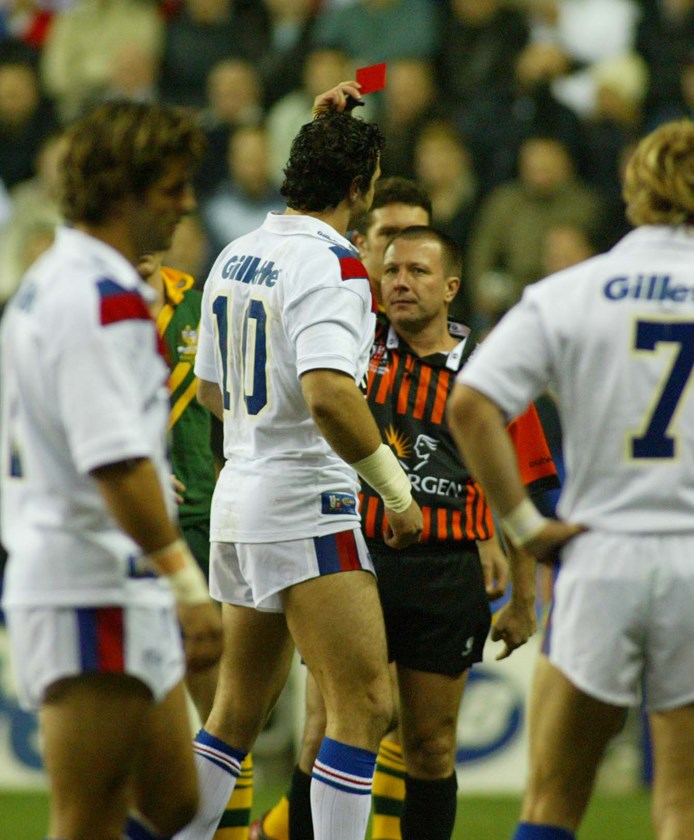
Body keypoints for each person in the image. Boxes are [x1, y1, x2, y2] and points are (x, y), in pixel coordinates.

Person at [173, 82, 423, 840]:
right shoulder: (336, 264)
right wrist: (396, 491)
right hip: (306, 503)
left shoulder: (235, 254)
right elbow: (330, 396)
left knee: (234, 713)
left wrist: (263, 427)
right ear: (359, 190)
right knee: (365, 705)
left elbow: (211, 393)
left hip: (239, 499)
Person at [254, 226, 560, 840]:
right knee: (331, 729)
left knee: (430, 745)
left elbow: (521, 487)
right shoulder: (351, 349)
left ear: (451, 288)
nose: (400, 282)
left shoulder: (489, 372)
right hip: (354, 560)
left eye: (418, 272)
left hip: (446, 572)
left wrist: (524, 599)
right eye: (391, 270)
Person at [446, 118, 694, 840]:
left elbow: (471, 404)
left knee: (551, 803)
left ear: (634, 191)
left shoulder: (574, 290)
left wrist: (526, 525)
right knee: (682, 806)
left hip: (598, 553)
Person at [0, 99, 223, 840]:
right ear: (125, 194)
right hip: (87, 579)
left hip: (112, 578)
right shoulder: (99, 301)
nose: (186, 204)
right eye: (171, 188)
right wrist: (187, 586)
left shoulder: (61, 281)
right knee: (88, 820)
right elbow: (117, 462)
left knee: (174, 800)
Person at [138, 249, 255, 838]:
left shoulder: (198, 298)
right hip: (126, 528)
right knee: (135, 714)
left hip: (204, 519)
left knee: (223, 709)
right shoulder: (87, 299)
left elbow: (232, 396)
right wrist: (137, 469)